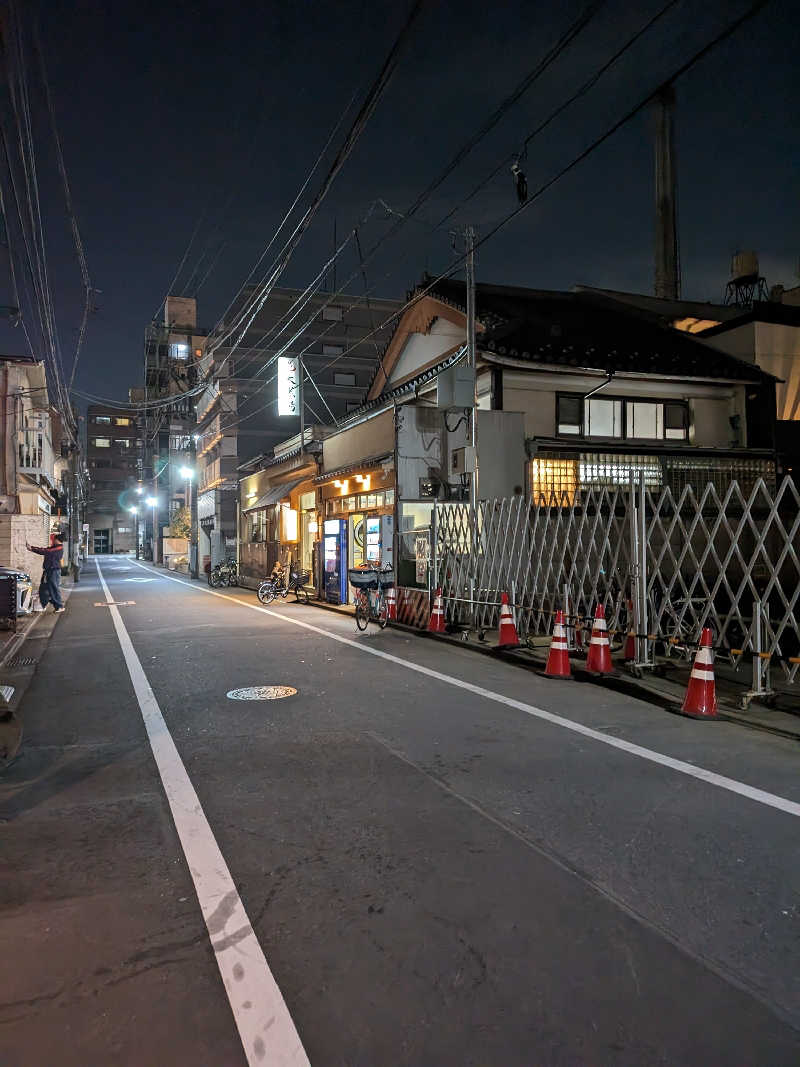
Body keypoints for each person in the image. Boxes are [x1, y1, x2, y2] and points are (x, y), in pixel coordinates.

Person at [26, 533, 64, 613]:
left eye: (53, 539)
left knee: (53, 588)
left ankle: (59, 606)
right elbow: (46, 550)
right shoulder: (55, 547)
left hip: (53, 571)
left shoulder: (58, 548)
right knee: (45, 588)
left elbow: (46, 551)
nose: (52, 541)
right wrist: (32, 548)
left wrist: (32, 548)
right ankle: (44, 605)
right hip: (49, 571)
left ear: (57, 540)